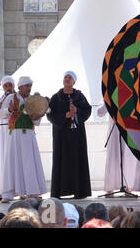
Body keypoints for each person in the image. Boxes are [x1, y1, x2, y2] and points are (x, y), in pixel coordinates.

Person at [0, 77, 47, 203]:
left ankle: (32, 192)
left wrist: (36, 116)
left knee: (29, 163)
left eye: (30, 85)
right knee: (11, 163)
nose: (29, 88)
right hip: (14, 135)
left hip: (28, 135)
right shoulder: (11, 98)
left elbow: (37, 121)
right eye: (27, 85)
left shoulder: (34, 100)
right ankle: (8, 194)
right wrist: (9, 110)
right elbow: (0, 114)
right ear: (20, 87)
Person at [47, 71, 92, 199]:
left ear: (74, 82)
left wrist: (76, 111)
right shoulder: (56, 97)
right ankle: (60, 191)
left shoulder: (79, 96)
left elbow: (87, 110)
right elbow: (50, 114)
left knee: (78, 159)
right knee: (61, 161)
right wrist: (65, 116)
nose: (67, 79)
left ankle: (79, 191)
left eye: (70, 77)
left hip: (77, 135)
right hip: (61, 136)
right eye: (65, 77)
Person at [97, 103, 138, 196]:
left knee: (128, 158)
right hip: (114, 131)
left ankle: (129, 186)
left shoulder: (129, 95)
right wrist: (107, 103)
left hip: (128, 129)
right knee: (113, 158)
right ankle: (110, 187)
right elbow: (100, 113)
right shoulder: (110, 95)